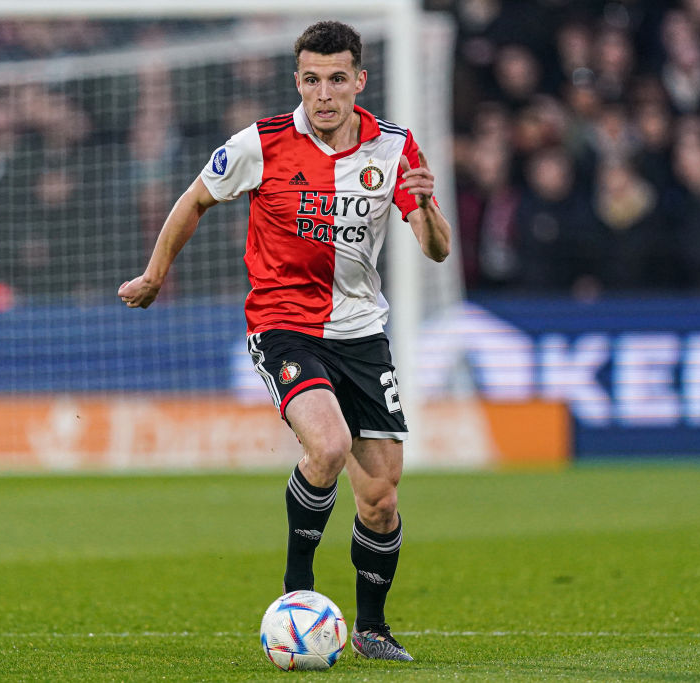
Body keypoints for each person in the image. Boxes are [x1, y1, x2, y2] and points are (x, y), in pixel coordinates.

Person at [118, 20, 451, 662]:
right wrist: (156, 274)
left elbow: (436, 252)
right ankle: (297, 590)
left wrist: (429, 209)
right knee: (326, 444)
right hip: (283, 324)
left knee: (380, 498)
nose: (323, 94)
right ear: (296, 80)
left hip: (362, 335)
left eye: (335, 79)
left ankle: (372, 629)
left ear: (359, 79)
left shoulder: (397, 149)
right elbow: (194, 200)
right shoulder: (261, 143)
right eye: (310, 80)